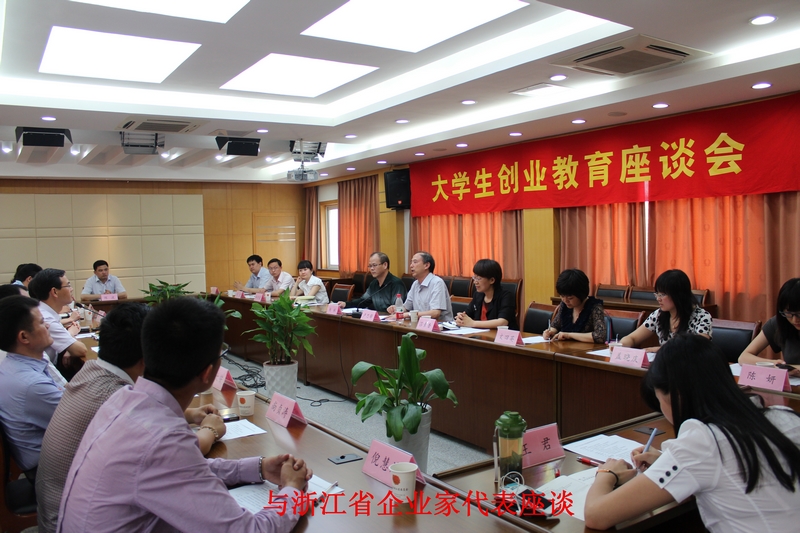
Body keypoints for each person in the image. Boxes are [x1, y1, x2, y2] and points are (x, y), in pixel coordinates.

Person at [57, 297, 311, 533]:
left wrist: (257, 468)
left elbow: (186, 469)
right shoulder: (162, 439)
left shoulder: (122, 399)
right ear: (208, 373)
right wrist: (291, 490)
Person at [36, 302, 225, 533]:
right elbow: (176, 452)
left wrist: (190, 414)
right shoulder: (114, 397)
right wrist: (210, 430)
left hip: (69, 510)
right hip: (68, 520)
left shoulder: (92, 371)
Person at [584, 334, 800, 532]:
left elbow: (596, 515)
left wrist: (607, 474)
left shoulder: (702, 441)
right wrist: (668, 462)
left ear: (674, 395)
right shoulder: (784, 416)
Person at [0, 295, 62, 477]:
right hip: (51, 473)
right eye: (42, 322)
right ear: (24, 337)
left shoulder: (10, 366)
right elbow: (88, 420)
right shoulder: (32, 385)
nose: (47, 326)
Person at [618, 269, 711, 352]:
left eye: (662, 294)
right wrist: (621, 345)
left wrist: (660, 349)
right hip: (665, 363)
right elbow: (633, 338)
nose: (658, 299)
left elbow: (699, 346)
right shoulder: (658, 315)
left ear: (678, 295)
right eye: (657, 294)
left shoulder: (702, 317)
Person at [29, 268, 88, 379]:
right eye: (68, 285)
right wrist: (70, 342)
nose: (71, 289)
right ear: (54, 292)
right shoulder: (45, 318)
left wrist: (68, 346)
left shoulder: (44, 312)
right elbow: (81, 350)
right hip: (43, 376)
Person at [740, 278, 800, 367]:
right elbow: (743, 357)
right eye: (788, 313)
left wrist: (790, 368)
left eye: (799, 314)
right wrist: (773, 364)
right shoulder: (780, 322)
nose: (794, 320)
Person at [543, 268, 606, 343]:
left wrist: (569, 335)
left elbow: (600, 336)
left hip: (586, 349)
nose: (565, 300)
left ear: (581, 295)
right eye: (562, 296)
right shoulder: (564, 305)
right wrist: (550, 332)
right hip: (565, 348)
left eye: (570, 298)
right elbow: (555, 325)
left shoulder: (595, 307)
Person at [388, 251, 453, 322]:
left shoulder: (437, 283)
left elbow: (435, 313)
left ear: (426, 265)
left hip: (440, 326)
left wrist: (408, 314)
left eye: (415, 262)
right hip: (420, 324)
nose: (411, 266)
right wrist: (397, 309)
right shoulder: (415, 284)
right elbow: (406, 307)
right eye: (411, 262)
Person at [455, 258, 517, 330]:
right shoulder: (478, 295)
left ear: (492, 280)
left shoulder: (506, 296)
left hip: (501, 335)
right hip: (482, 334)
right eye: (474, 277)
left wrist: (473, 323)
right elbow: (467, 314)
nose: (475, 282)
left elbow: (502, 322)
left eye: (479, 278)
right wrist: (461, 318)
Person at [339, 252, 407, 312]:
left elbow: (397, 307)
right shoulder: (373, 284)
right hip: (378, 319)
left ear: (385, 265)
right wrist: (346, 304)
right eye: (370, 266)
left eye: (374, 265)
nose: (371, 268)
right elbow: (363, 301)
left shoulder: (396, 284)